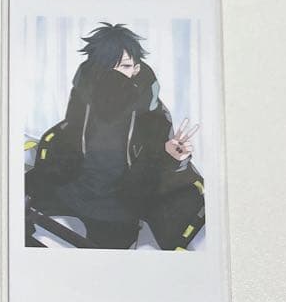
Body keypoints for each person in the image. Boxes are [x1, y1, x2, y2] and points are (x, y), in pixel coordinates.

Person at [26, 22, 204, 249]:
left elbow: (156, 174)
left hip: (118, 208)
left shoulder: (152, 113)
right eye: (108, 66)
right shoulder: (83, 95)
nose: (116, 74)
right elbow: (69, 136)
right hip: (73, 191)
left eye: (125, 66)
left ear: (136, 69)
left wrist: (175, 158)